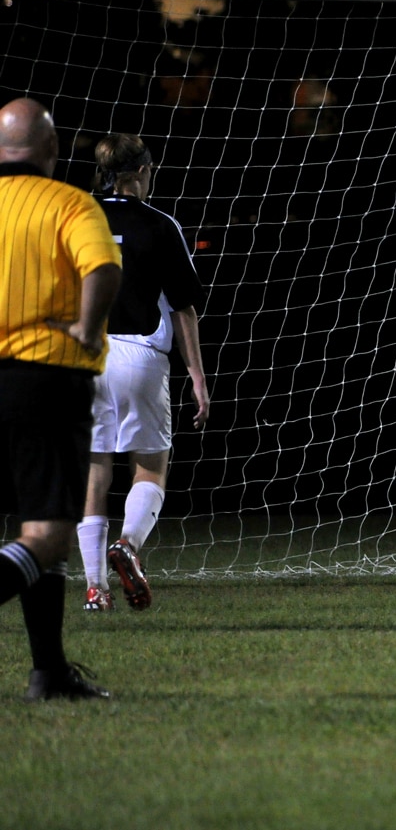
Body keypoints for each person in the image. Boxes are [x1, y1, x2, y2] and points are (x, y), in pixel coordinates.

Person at [0, 97, 122, 699]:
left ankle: (48, 672)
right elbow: (103, 267)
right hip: (41, 378)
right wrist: (86, 327)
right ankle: (48, 672)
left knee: (34, 536)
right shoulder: (70, 203)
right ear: (50, 149)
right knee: (47, 533)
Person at [77, 134, 210, 612]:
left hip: (83, 355)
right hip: (139, 356)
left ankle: (96, 589)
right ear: (139, 173)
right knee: (150, 467)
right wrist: (197, 377)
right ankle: (128, 544)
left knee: (95, 473)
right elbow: (184, 307)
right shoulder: (159, 224)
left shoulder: (75, 216)